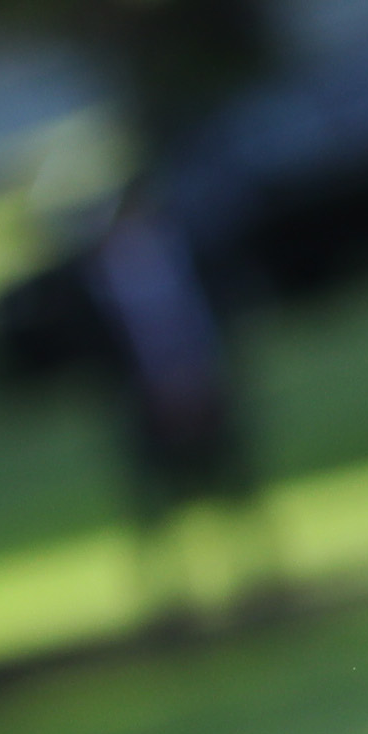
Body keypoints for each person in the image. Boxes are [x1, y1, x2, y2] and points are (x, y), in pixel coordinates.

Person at [83, 180, 278, 628]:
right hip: (145, 402)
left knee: (234, 483)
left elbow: (219, 315)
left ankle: (261, 579)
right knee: (157, 502)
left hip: (205, 384)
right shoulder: (100, 277)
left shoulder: (190, 256)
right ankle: (169, 599)